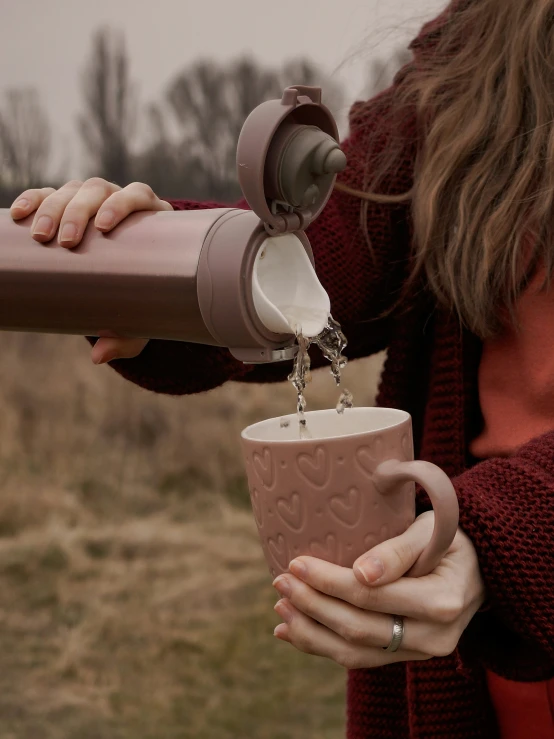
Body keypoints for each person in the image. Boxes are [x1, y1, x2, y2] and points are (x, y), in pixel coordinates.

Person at [9, 0, 554, 736]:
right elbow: (334, 260)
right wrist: (157, 258)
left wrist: (495, 537)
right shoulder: (482, 47)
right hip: (465, 651)